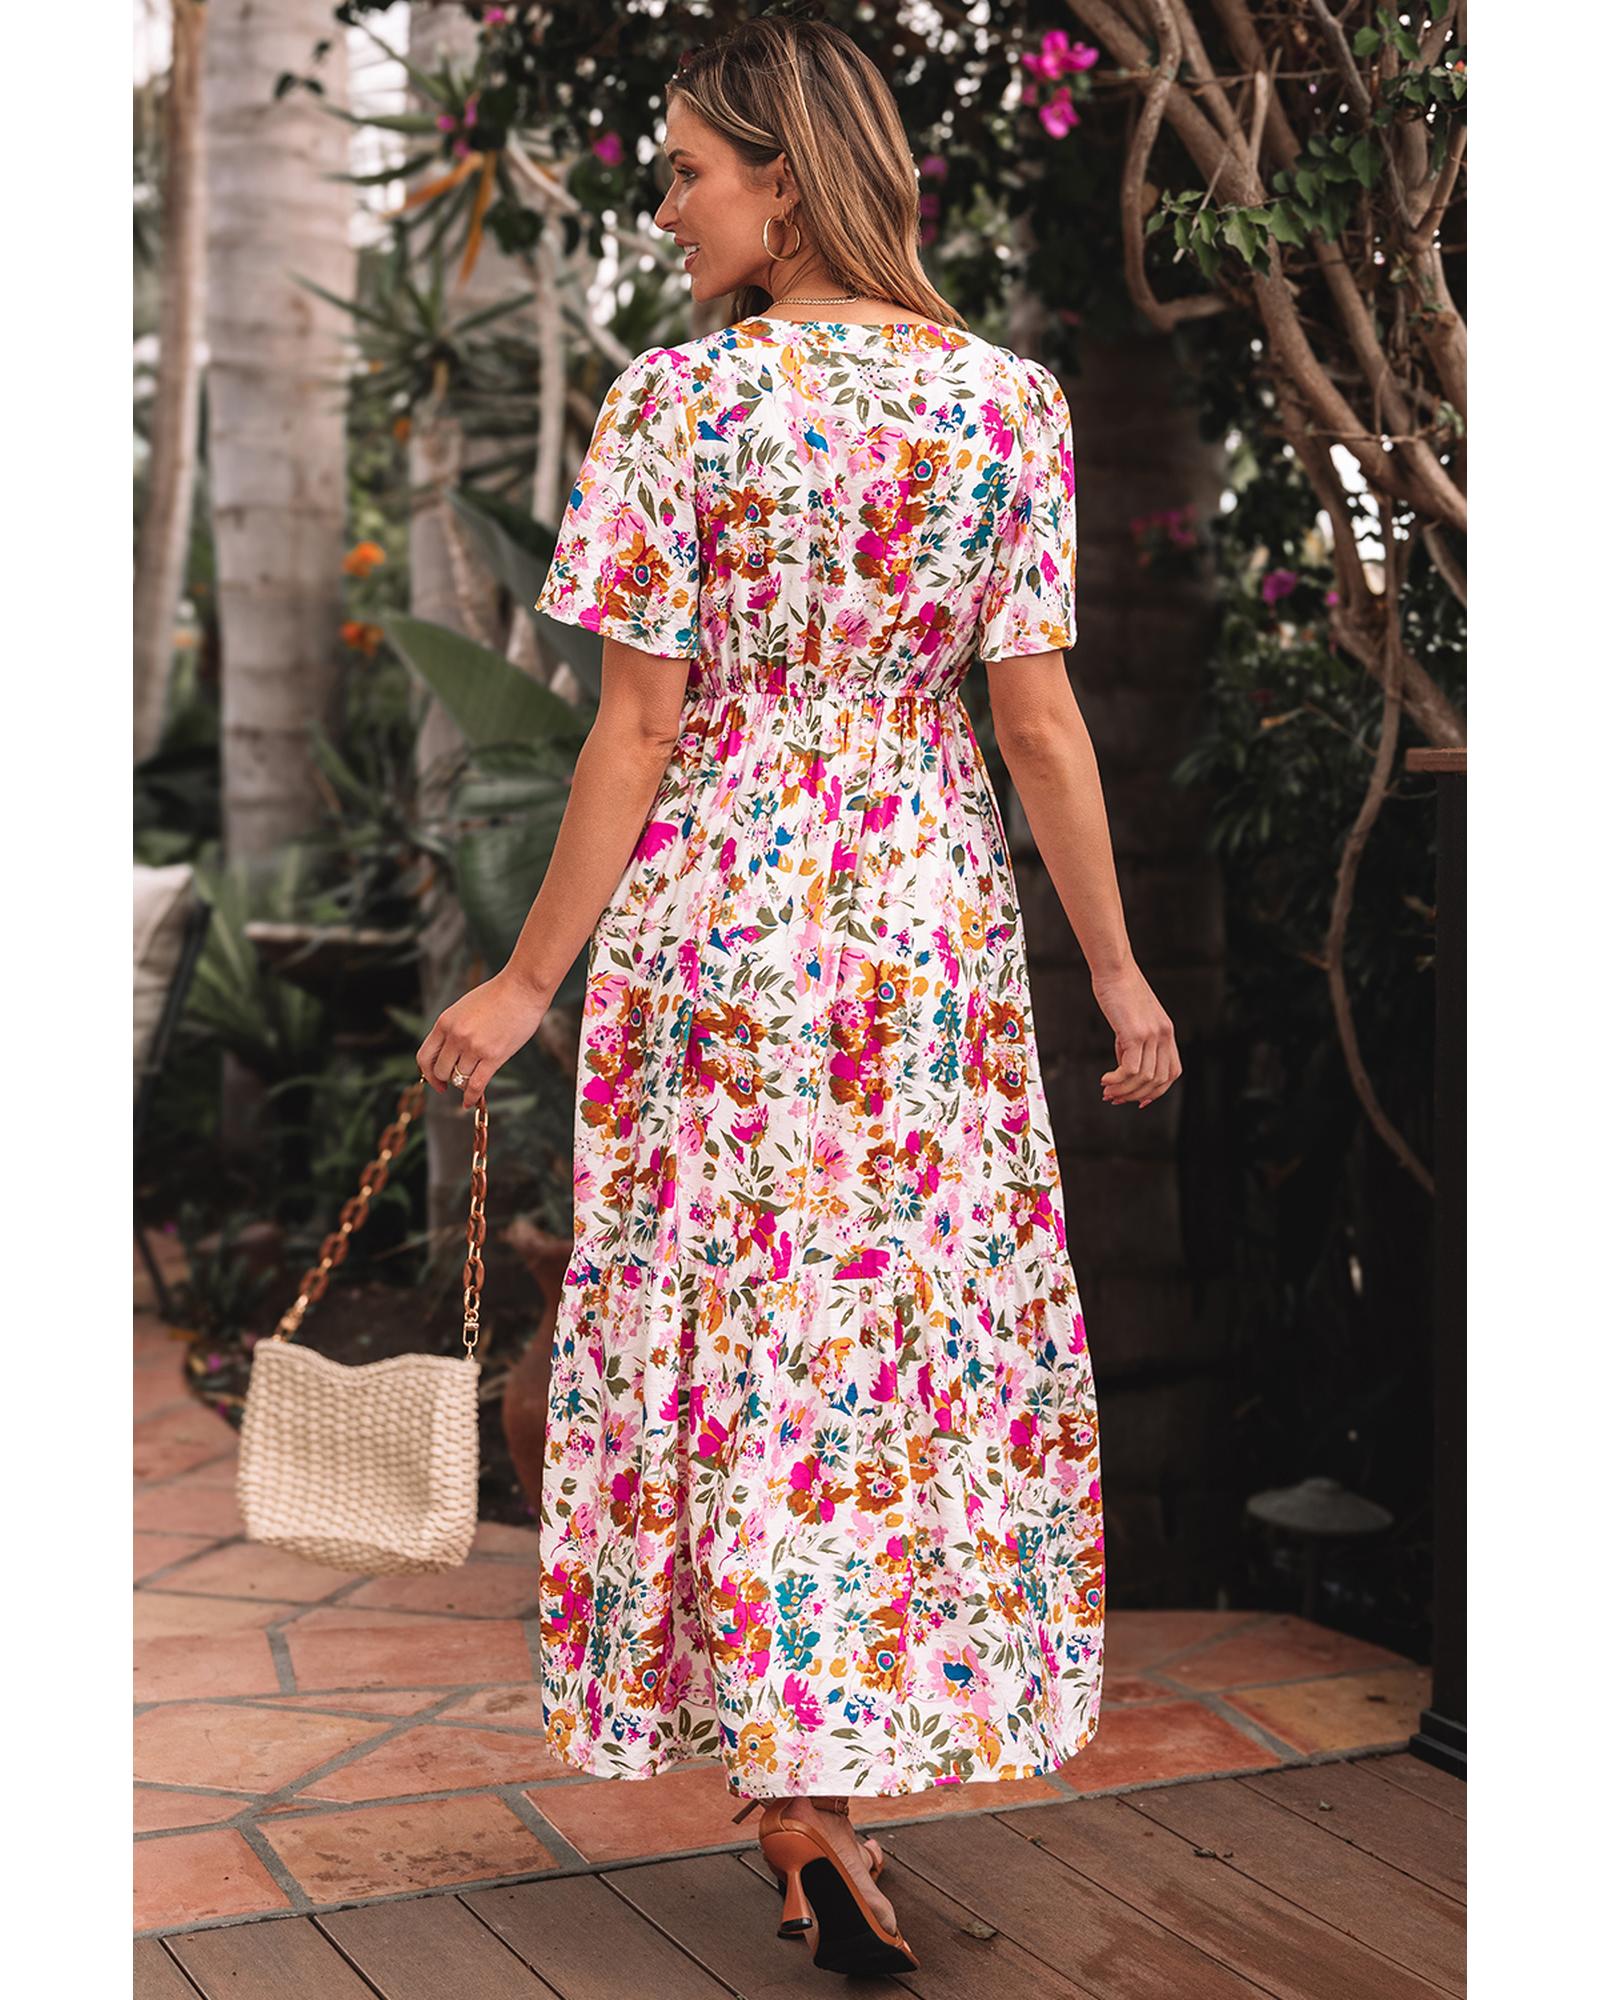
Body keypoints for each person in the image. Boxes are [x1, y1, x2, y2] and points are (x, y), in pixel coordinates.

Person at [415, 11, 1180, 1980]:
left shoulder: (677, 405)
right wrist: (1112, 971)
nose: (663, 206)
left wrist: (523, 976)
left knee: (738, 1338)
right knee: (887, 1345)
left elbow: (632, 731)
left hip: (717, 939)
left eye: (685, 171)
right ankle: (825, 1782)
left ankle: (791, 1792)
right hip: (920, 935)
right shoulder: (1004, 404)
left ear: (781, 174)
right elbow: (1037, 725)